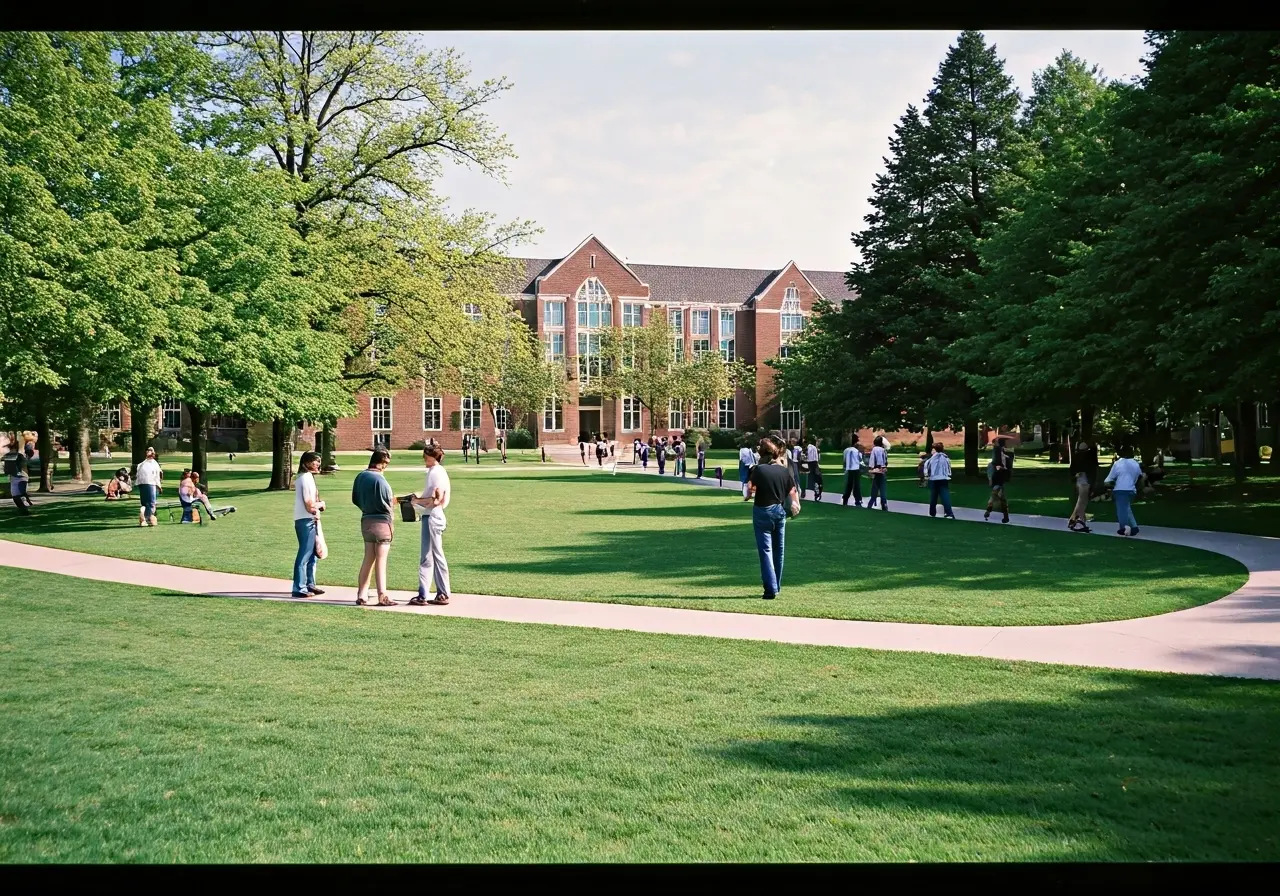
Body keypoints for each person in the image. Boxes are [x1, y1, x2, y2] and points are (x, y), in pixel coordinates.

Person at [745, 438, 799, 601]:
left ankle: (770, 589)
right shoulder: (783, 471)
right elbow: (792, 490)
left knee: (765, 551)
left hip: (762, 511)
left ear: (762, 454)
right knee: (778, 550)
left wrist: (748, 496)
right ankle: (777, 585)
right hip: (779, 511)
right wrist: (796, 503)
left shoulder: (758, 470)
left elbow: (750, 491)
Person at [351, 448, 396, 606]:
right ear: (382, 462)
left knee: (368, 558)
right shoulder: (380, 480)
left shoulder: (360, 476)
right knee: (381, 560)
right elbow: (388, 502)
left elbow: (355, 499)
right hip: (382, 522)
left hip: (366, 520)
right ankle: (382, 595)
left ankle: (362, 594)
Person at [409, 444, 453, 606]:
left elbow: (435, 500)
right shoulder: (437, 472)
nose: (424, 459)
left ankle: (441, 593)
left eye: (425, 456)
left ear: (431, 456)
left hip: (433, 516)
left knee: (433, 555)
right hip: (431, 516)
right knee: (428, 556)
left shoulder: (435, 473)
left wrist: (415, 501)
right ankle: (425, 593)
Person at [292, 451, 326, 597]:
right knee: (305, 554)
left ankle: (309, 584)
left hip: (310, 519)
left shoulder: (308, 478)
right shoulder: (305, 478)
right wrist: (321, 504)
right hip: (305, 520)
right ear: (306, 463)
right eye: (315, 461)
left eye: (318, 461)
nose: (318, 464)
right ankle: (298, 588)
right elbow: (308, 505)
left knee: (313, 555)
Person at [1105, 445, 1145, 536]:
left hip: (1120, 489)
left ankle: (1124, 528)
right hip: (1132, 490)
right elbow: (1140, 477)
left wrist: (1109, 485)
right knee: (1127, 508)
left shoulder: (1118, 463)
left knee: (1121, 510)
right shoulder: (1135, 464)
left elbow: (1108, 480)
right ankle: (1134, 527)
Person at [1068, 440, 1097, 533]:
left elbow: (1072, 469)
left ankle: (1077, 520)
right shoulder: (1089, 457)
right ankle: (1076, 520)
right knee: (1082, 501)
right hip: (1085, 480)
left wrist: (1074, 476)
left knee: (1081, 500)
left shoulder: (1076, 457)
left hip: (1079, 479)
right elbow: (1092, 471)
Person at [924, 442, 956, 519]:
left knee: (933, 497)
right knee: (945, 496)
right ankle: (949, 513)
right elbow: (948, 469)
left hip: (934, 479)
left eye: (932, 449)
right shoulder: (945, 458)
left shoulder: (932, 459)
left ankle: (932, 513)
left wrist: (926, 476)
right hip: (944, 479)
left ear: (935, 450)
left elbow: (927, 467)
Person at [984, 439, 1012, 524]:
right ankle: (1004, 516)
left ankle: (988, 512)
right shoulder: (1002, 454)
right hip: (999, 478)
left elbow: (1001, 466)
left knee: (995, 496)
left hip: (997, 478)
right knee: (1000, 497)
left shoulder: (998, 453)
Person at [135, 447, 163, 527]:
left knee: (144, 502)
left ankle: (143, 514)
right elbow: (157, 476)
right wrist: (159, 486)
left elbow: (138, 476)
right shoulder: (154, 464)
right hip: (151, 484)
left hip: (142, 484)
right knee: (151, 503)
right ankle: (147, 518)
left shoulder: (141, 465)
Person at [5, 444, 33, 515]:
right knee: (15, 496)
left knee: (21, 494)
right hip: (14, 477)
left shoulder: (19, 456)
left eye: (12, 448)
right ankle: (23, 509)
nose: (11, 450)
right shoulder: (9, 456)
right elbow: (7, 467)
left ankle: (25, 508)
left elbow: (22, 465)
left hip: (21, 477)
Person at [867, 436, 889, 511]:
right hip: (882, 471)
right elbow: (885, 460)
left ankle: (870, 504)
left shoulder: (875, 449)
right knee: (882, 489)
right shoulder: (883, 450)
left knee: (874, 489)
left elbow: (873, 460)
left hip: (876, 470)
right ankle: (884, 505)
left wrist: (871, 468)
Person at [842, 439, 864, 507]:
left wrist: (845, 468)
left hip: (849, 469)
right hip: (856, 469)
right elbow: (860, 461)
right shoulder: (857, 451)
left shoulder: (846, 450)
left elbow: (844, 460)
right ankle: (858, 500)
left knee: (849, 485)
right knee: (856, 485)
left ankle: (845, 499)